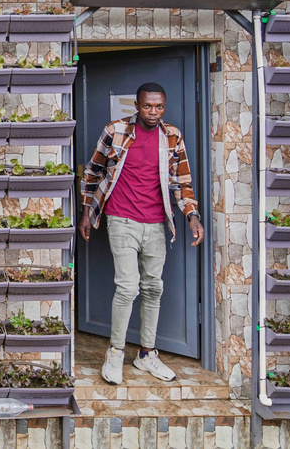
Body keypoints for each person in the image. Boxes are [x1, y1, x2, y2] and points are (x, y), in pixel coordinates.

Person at [78, 82, 203, 385]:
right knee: (127, 287)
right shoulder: (116, 130)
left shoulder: (171, 136)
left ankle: (146, 355)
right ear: (136, 105)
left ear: (164, 106)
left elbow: (182, 181)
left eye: (159, 106)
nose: (153, 112)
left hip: (156, 223)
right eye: (147, 106)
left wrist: (192, 216)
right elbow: (94, 171)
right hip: (121, 219)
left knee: (153, 288)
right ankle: (116, 352)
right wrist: (87, 212)